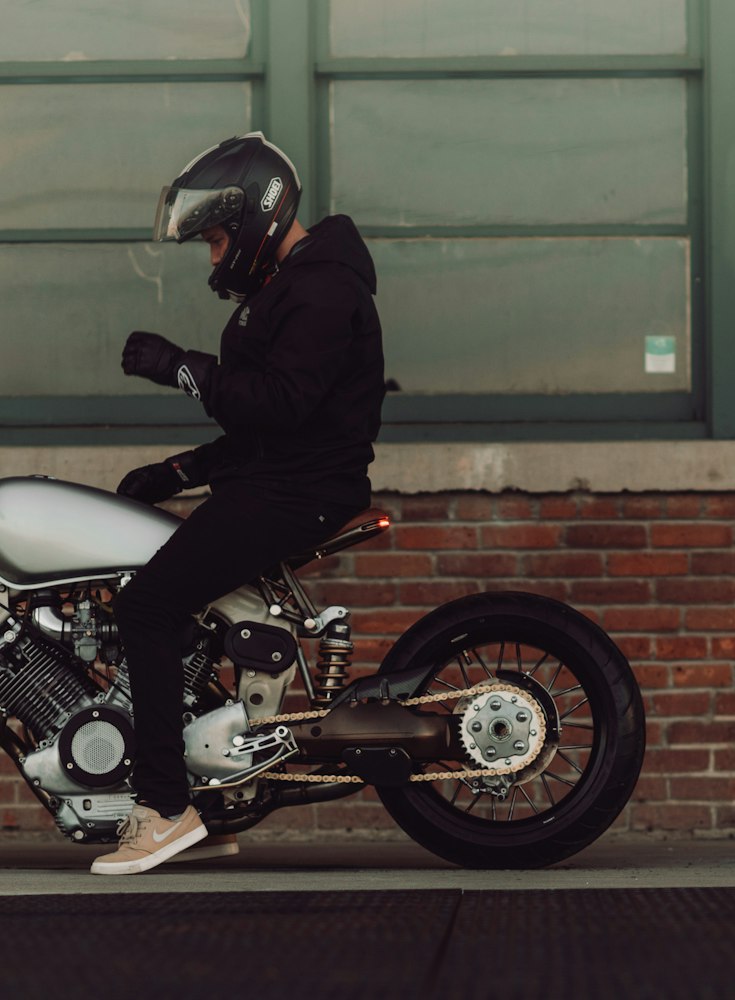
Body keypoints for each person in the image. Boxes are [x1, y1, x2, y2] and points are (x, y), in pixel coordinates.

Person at [90, 132, 385, 875]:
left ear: (253, 215)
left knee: (149, 607)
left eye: (218, 239)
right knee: (169, 607)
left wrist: (181, 368)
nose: (216, 257)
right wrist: (179, 468)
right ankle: (210, 801)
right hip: (281, 478)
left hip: (300, 492)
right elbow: (264, 427)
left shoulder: (323, 287)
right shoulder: (297, 283)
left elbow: (283, 406)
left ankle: (163, 809)